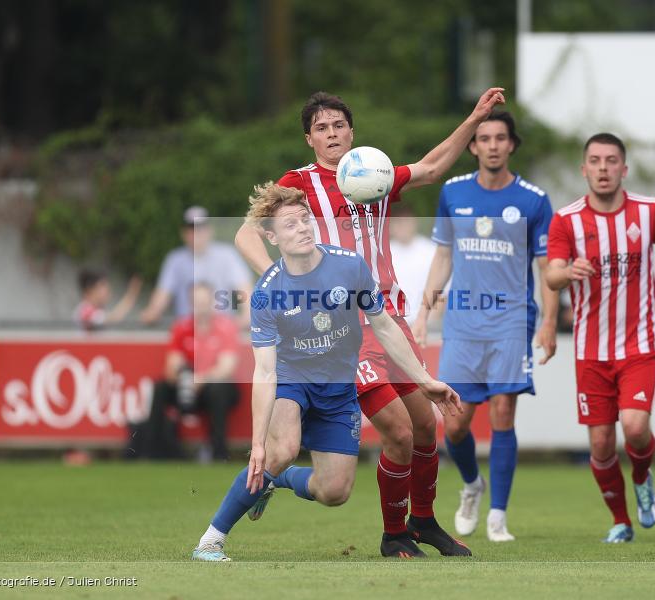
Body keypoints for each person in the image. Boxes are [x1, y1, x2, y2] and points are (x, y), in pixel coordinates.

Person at [233, 88, 505, 557]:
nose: (332, 133)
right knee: (397, 430)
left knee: (426, 427)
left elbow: (433, 167)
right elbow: (245, 232)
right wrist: (276, 276)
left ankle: (423, 521)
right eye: (322, 128)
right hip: (343, 331)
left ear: (351, 132)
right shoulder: (297, 184)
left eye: (339, 125)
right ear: (309, 139)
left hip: (389, 321)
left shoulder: (371, 172)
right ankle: (393, 534)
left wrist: (474, 118)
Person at [192, 184, 461, 561]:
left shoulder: (349, 266)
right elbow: (266, 372)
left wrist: (424, 380)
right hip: (293, 380)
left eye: (306, 219)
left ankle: (280, 479)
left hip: (338, 387)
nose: (302, 228)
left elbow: (383, 326)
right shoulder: (268, 292)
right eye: (289, 224)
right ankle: (211, 540)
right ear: (270, 236)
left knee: (334, 492)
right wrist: (257, 443)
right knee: (280, 450)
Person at [545, 133, 655, 544]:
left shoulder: (649, 211)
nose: (602, 168)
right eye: (595, 161)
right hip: (590, 349)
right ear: (584, 169)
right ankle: (621, 521)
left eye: (611, 160)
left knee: (634, 428)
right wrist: (567, 273)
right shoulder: (567, 219)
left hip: (639, 343)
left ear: (623, 169)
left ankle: (642, 476)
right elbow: (550, 274)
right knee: (600, 444)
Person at [412, 110, 558, 542]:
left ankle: (498, 515)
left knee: (502, 412)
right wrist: (423, 312)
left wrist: (549, 321)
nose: (492, 145)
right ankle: (473, 484)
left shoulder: (533, 199)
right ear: (473, 147)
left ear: (512, 144)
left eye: (500, 138)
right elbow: (443, 257)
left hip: (512, 320)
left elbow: (547, 266)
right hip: (463, 321)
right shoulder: (454, 193)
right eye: (484, 139)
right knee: (455, 425)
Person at [145, 282, 241, 460]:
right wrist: (184, 376)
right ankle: (152, 450)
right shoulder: (182, 328)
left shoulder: (225, 327)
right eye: (197, 302)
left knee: (218, 389)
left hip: (217, 389)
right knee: (160, 387)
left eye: (204, 301)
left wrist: (202, 379)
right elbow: (171, 365)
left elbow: (227, 367)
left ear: (213, 302)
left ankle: (218, 452)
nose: (201, 307)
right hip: (188, 386)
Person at [141, 206, 253, 326]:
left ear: (210, 230)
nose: (196, 234)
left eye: (200, 228)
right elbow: (162, 294)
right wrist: (153, 311)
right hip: (187, 331)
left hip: (221, 330)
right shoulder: (175, 260)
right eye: (191, 229)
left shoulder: (228, 255)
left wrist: (248, 315)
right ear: (183, 233)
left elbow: (244, 287)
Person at [389, 204, 438, 326]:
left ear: (414, 223)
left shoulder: (431, 251)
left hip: (427, 326)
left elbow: (443, 293)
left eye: (406, 222)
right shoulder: (382, 253)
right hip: (394, 327)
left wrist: (426, 324)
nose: (402, 227)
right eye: (398, 223)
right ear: (389, 226)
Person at [74, 268, 141, 331]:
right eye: (102, 287)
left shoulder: (96, 310)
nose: (107, 291)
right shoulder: (85, 311)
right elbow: (114, 318)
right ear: (89, 290)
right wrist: (132, 293)